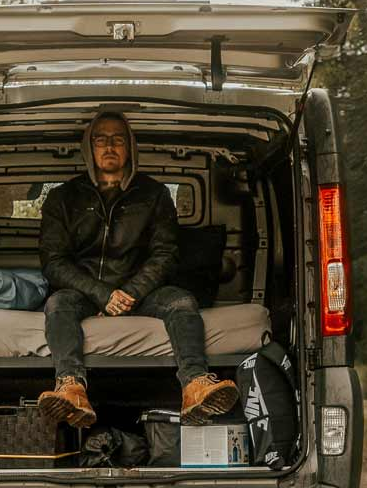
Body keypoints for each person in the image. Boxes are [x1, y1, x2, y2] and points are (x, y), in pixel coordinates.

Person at [37, 110, 239, 429]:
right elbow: (53, 261)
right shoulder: (62, 198)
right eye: (100, 139)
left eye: (118, 139)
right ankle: (71, 387)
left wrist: (130, 293)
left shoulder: (155, 195)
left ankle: (196, 385)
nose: (109, 146)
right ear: (89, 147)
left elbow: (165, 254)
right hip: (85, 292)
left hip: (141, 292)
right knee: (57, 304)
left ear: (131, 146)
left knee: (182, 302)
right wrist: (103, 295)